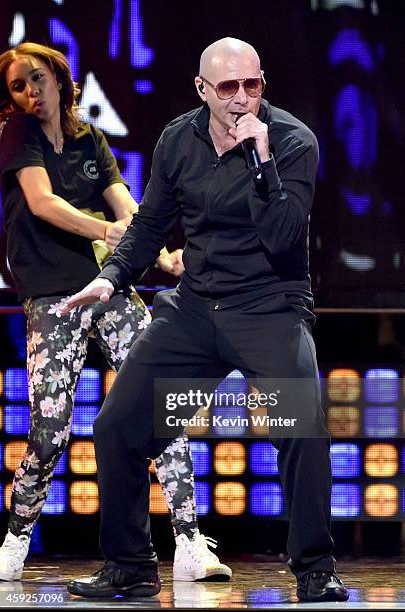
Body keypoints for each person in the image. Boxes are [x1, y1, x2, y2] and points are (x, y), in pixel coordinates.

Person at [62, 37, 349, 602]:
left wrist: (260, 157)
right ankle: (129, 566)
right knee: (119, 427)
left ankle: (315, 569)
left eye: (253, 85)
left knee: (302, 429)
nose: (243, 98)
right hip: (195, 312)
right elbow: (151, 227)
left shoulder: (292, 142)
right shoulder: (177, 139)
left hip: (267, 309)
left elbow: (284, 238)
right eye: (229, 88)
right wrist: (112, 277)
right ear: (203, 90)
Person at [0, 42, 231, 584]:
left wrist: (157, 251)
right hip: (53, 297)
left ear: (59, 77)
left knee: (159, 406)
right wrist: (106, 230)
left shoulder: (90, 139)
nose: (31, 92)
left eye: (38, 79)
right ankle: (16, 538)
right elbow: (42, 202)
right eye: (17, 86)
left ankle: (190, 542)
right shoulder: (16, 136)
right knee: (51, 429)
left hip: (108, 290)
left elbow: (127, 205)